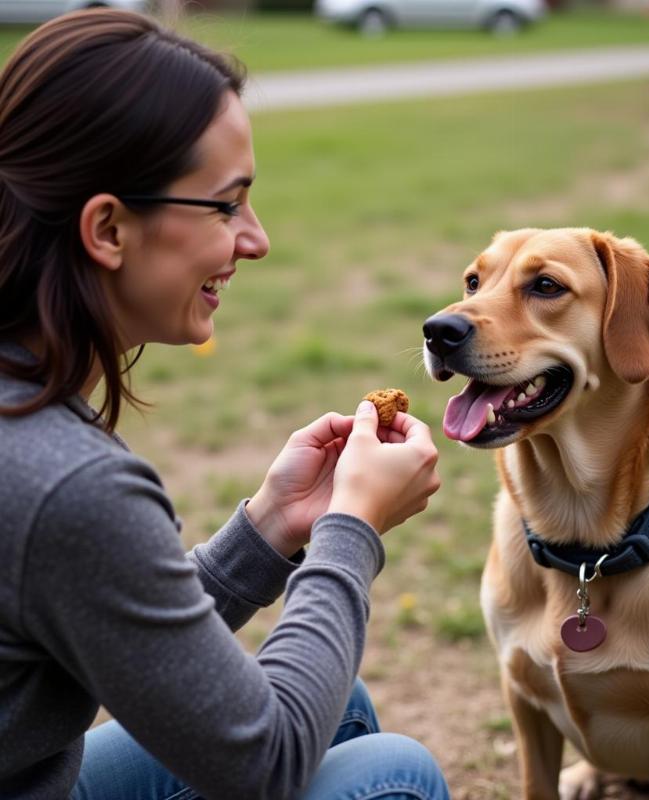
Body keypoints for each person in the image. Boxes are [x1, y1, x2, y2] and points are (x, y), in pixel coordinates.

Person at [0, 9, 448, 800]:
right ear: (107, 228)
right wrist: (351, 533)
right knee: (393, 772)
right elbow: (263, 762)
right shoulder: (64, 480)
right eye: (227, 204)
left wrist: (272, 527)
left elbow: (106, 613)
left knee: (334, 707)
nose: (257, 239)